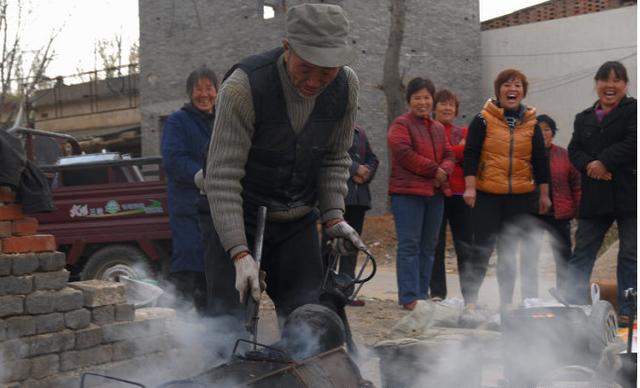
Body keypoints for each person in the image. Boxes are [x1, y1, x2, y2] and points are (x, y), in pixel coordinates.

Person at [203, 4, 364, 325]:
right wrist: (239, 252)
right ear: (286, 48)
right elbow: (222, 177)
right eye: (306, 68)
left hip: (297, 216)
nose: (315, 81)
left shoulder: (345, 87)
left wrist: (333, 216)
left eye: (326, 72)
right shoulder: (243, 87)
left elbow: (335, 156)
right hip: (237, 211)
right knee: (229, 325)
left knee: (307, 320)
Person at [463, 69, 551, 309]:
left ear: (523, 92)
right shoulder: (483, 119)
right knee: (481, 249)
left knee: (509, 252)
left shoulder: (531, 122)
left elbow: (540, 160)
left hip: (519, 197)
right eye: (507, 85)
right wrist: (470, 188)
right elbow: (470, 154)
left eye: (518, 85)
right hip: (488, 195)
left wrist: (544, 194)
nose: (512, 89)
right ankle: (470, 302)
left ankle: (505, 305)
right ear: (498, 90)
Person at [565, 61, 636, 323]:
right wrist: (590, 166)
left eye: (617, 80)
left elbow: (633, 142)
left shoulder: (634, 111)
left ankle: (629, 309)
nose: (610, 85)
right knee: (583, 250)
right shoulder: (583, 118)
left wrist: (603, 161)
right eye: (604, 80)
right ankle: (572, 304)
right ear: (596, 84)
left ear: (625, 85)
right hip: (595, 194)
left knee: (630, 253)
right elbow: (574, 150)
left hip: (629, 194)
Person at [388, 77, 454, 311]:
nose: (422, 102)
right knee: (409, 245)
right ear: (409, 101)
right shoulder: (401, 124)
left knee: (429, 246)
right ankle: (409, 297)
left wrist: (444, 170)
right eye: (417, 98)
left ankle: (422, 293)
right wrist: (434, 170)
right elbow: (403, 153)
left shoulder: (437, 127)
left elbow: (449, 154)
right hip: (407, 194)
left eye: (427, 97)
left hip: (434, 194)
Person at [161, 66, 218, 313]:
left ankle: (216, 329)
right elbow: (173, 159)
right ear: (189, 93)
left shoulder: (223, 120)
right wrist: (202, 176)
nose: (204, 94)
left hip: (219, 208)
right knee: (191, 271)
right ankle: (186, 330)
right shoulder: (178, 121)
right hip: (189, 209)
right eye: (198, 89)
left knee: (217, 272)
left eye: (209, 88)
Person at [519, 114, 581, 298]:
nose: (543, 133)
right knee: (529, 258)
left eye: (546, 129)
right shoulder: (524, 156)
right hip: (532, 214)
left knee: (563, 256)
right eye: (538, 129)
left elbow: (576, 184)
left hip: (559, 214)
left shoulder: (564, 155)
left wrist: (579, 210)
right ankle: (529, 298)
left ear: (553, 132)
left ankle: (564, 294)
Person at [322, 125, 379, 307]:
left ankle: (345, 292)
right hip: (335, 199)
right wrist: (355, 169)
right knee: (328, 247)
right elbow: (326, 154)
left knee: (351, 246)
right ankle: (323, 289)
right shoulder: (329, 128)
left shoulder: (359, 132)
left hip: (358, 199)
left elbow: (373, 158)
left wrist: (366, 171)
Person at [430, 89, 473, 302]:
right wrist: (457, 151)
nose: (447, 108)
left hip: (461, 193)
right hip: (435, 193)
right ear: (434, 107)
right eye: (443, 104)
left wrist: (449, 152)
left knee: (465, 245)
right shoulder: (430, 130)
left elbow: (470, 153)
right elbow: (433, 155)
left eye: (451, 105)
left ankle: (470, 296)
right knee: (435, 244)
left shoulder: (464, 131)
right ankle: (437, 293)